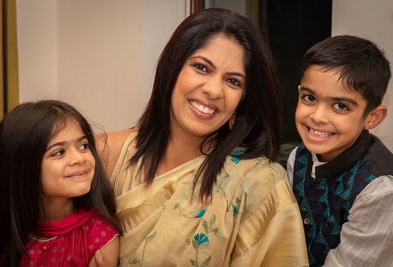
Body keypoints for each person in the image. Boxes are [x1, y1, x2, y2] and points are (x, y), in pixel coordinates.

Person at [96, 8, 308, 267]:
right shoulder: (104, 155)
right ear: (172, 68)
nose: (213, 89)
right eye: (201, 67)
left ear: (242, 99)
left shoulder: (258, 184)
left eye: (233, 81)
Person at [287, 35, 393, 266]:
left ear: (372, 118)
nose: (317, 116)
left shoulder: (380, 191)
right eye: (309, 98)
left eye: (340, 106)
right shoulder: (298, 158)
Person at [0, 100, 122, 266]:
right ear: (23, 166)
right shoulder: (4, 231)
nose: (79, 158)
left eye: (83, 146)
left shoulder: (99, 237)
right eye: (59, 152)